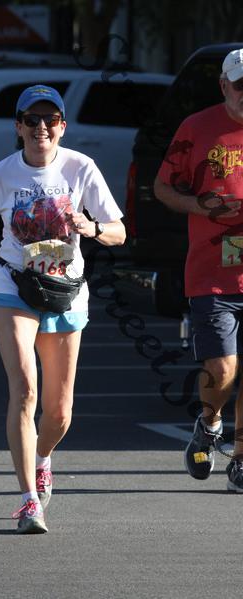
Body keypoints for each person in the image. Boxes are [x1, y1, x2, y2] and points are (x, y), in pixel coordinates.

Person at [0, 84, 125, 534]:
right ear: (18, 127)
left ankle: (42, 459)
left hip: (65, 291)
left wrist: (90, 227)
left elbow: (118, 232)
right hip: (12, 286)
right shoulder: (0, 174)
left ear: (62, 126)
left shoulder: (81, 168)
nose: (41, 127)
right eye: (31, 120)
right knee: (24, 390)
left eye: (50, 120)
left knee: (58, 412)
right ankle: (28, 502)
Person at [154, 48, 243, 492]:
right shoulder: (197, 128)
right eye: (241, 86)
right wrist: (200, 206)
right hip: (213, 273)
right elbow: (162, 187)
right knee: (222, 368)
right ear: (224, 86)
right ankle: (209, 424)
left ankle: (240, 460)